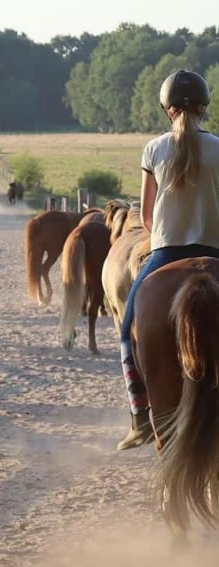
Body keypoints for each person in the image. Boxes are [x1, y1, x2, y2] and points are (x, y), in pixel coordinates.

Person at [116, 69, 219, 451]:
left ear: (167, 109)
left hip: (164, 254)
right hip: (215, 251)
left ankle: (140, 415)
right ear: (204, 108)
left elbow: (145, 216)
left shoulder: (154, 149)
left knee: (128, 330)